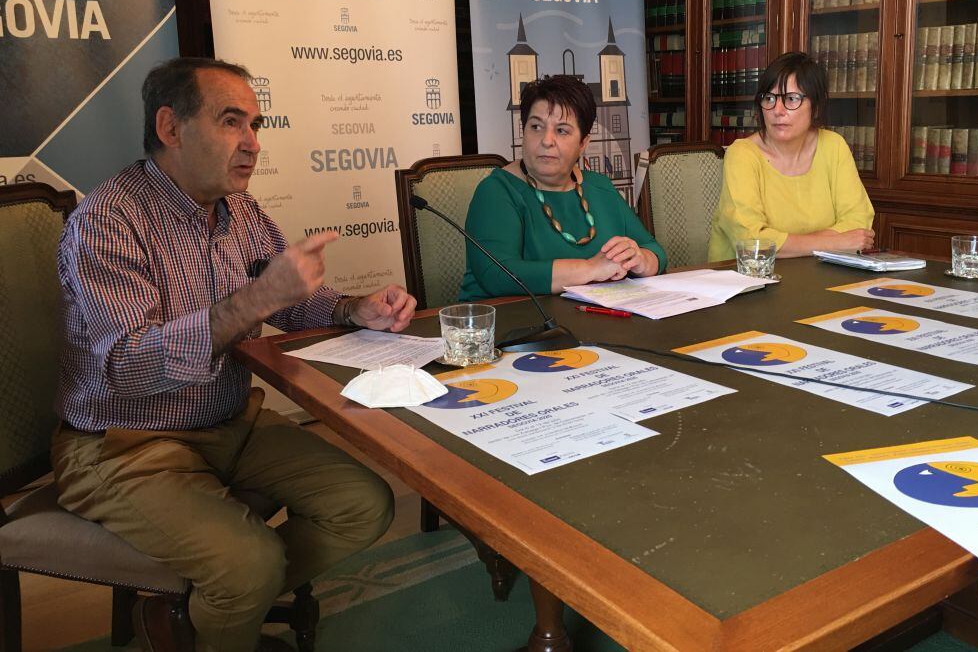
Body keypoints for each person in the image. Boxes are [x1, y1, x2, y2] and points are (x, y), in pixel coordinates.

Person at [52, 57, 417, 652]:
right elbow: (127, 367)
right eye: (231, 122)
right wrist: (254, 300)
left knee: (363, 504)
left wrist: (354, 309)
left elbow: (296, 304)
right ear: (171, 128)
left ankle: (195, 616)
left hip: (229, 423)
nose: (252, 143)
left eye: (256, 124)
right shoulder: (106, 222)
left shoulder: (241, 211)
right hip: (123, 442)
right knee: (248, 564)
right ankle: (231, 599)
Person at [459, 74, 666, 300]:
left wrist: (641, 260)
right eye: (536, 126)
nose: (547, 140)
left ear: (583, 143)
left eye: (562, 130)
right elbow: (497, 275)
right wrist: (590, 269)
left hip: (595, 322)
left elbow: (653, 249)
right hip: (508, 326)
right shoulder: (497, 191)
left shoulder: (599, 187)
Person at [707, 51, 875, 261]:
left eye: (791, 99)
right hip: (745, 281)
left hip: (819, 276)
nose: (778, 110)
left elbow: (858, 224)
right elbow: (751, 242)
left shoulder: (833, 146)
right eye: (769, 98)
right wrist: (834, 243)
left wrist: (789, 244)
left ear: (815, 107)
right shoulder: (742, 154)